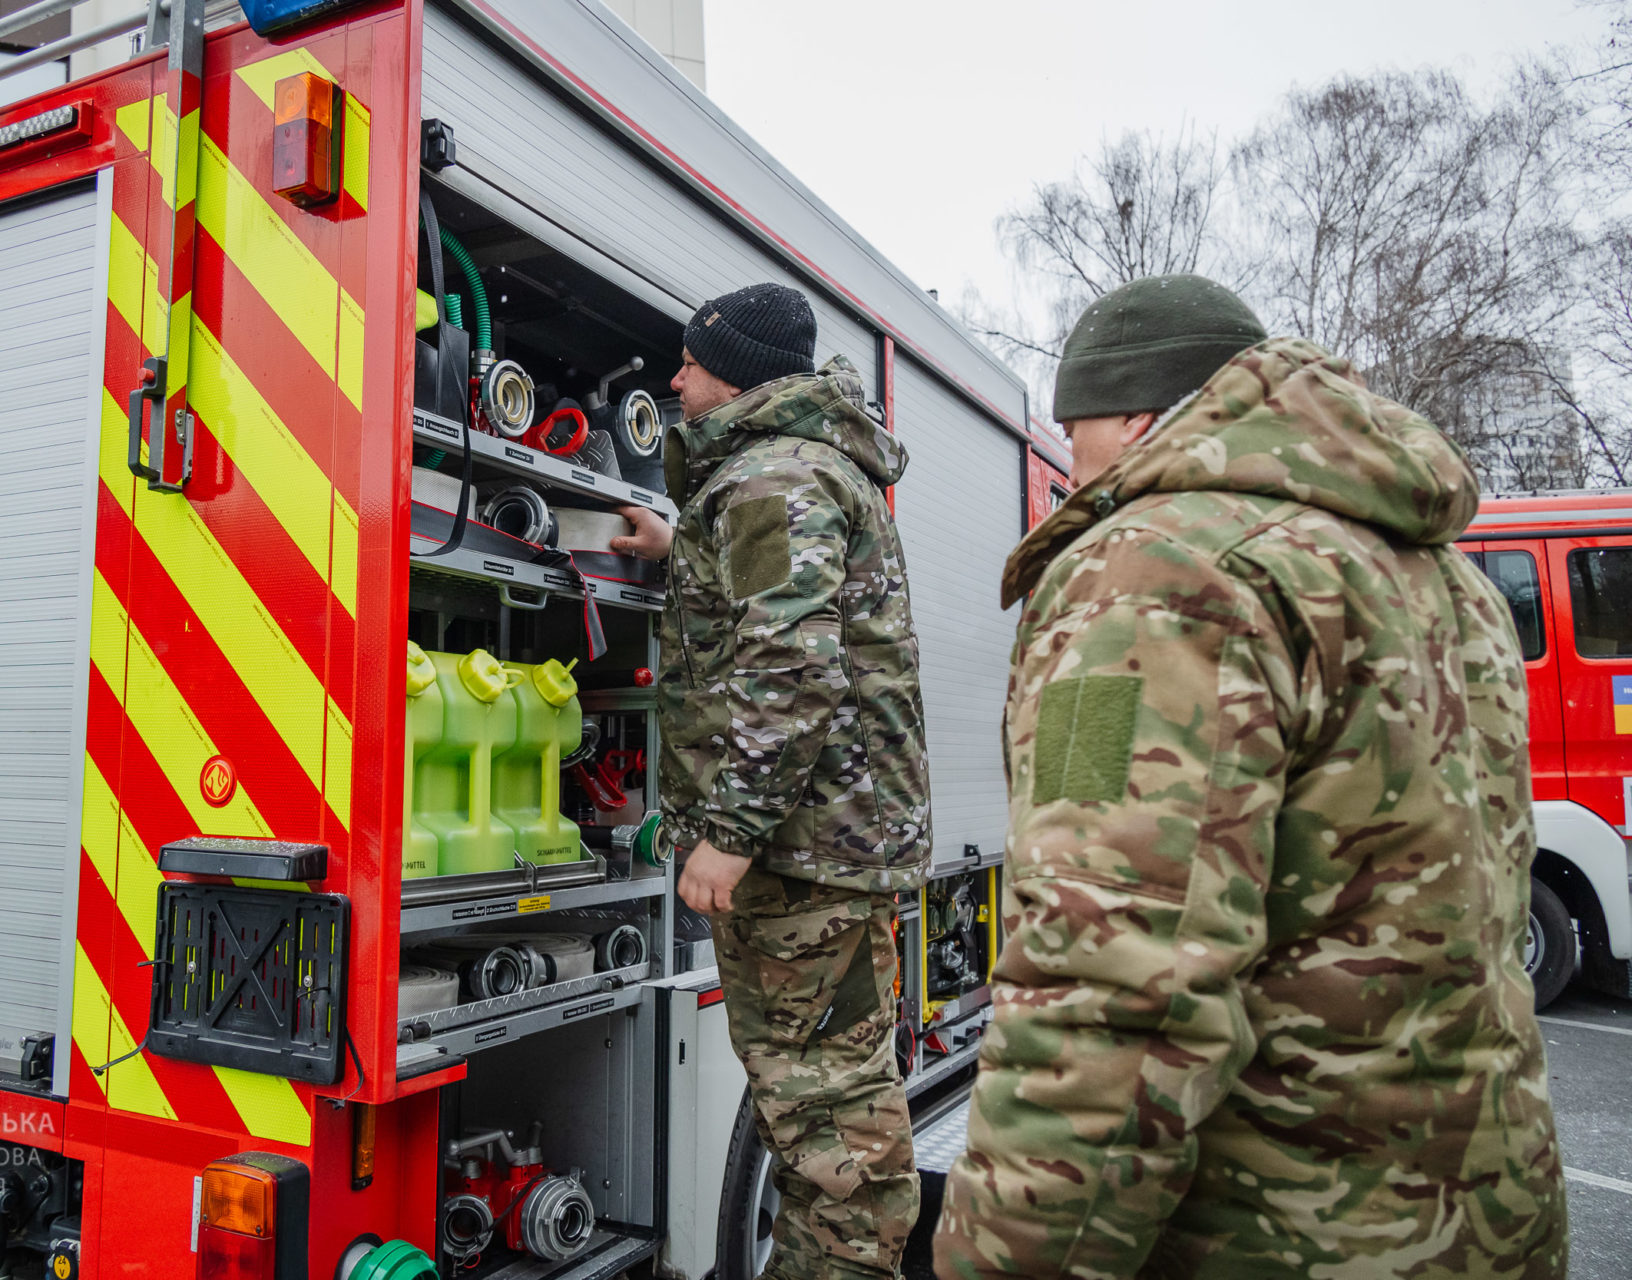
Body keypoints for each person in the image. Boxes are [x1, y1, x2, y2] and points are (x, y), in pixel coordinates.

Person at [933, 274, 1568, 1279]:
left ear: (1134, 410)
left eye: (1075, 430)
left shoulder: (1161, 573)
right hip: (1486, 1214)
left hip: (1277, 1230)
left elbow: (1116, 982)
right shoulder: (1441, 576)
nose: (1070, 463)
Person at [612, 282, 931, 1280]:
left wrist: (732, 834)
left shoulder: (771, 481)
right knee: (826, 1112)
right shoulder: (785, 474)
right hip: (826, 848)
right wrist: (685, 551)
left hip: (800, 859)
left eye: (691, 361)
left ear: (741, 373)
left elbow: (791, 667)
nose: (675, 376)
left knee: (827, 1123)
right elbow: (775, 606)